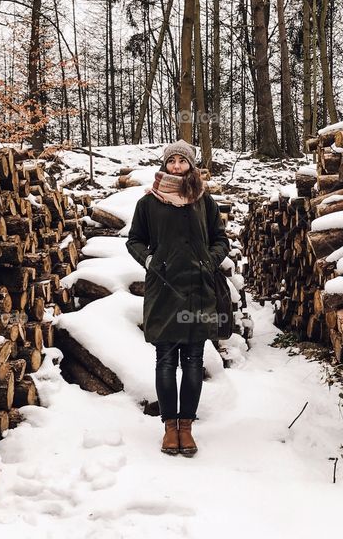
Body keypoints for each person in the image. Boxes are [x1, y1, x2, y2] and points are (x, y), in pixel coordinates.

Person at [125, 140, 230, 457]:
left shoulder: (203, 200)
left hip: (198, 289)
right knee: (166, 361)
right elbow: (135, 240)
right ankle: (170, 428)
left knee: (194, 362)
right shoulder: (148, 203)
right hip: (164, 290)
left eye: (182, 161)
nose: (176, 166)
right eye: (171, 160)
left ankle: (187, 427)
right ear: (164, 164)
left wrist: (209, 261)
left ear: (191, 165)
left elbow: (219, 239)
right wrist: (149, 261)